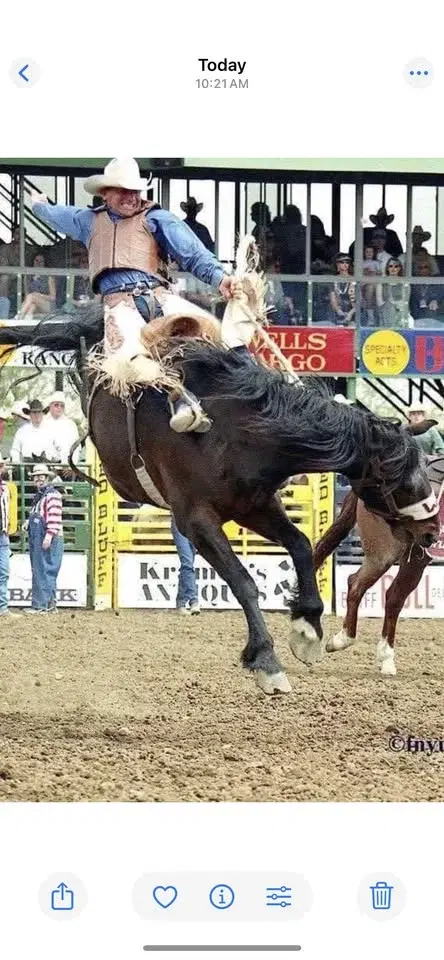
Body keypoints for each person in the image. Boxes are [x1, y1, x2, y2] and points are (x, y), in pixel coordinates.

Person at [31, 158, 246, 435]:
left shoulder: (156, 218)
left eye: (135, 191)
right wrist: (38, 206)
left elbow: (192, 253)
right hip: (119, 305)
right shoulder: (88, 221)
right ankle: (180, 398)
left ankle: (250, 381)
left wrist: (220, 278)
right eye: (124, 191)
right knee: (129, 360)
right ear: (105, 193)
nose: (132, 197)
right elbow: (55, 214)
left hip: (161, 296)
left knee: (214, 333)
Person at [25, 463, 64, 613]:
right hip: (39, 535)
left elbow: (54, 518)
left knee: (44, 569)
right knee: (42, 569)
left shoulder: (52, 495)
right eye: (36, 478)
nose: (38, 480)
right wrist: (27, 523)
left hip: (47, 536)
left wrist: (49, 536)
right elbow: (40, 515)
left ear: (47, 478)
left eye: (41, 477)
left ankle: (41, 605)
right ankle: (49, 604)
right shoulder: (40, 496)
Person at [0, 453, 21, 619]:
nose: (2, 468)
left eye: (1, 466)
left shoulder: (7, 488)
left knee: (4, 571)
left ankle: (2, 607)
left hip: (2, 534)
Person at [171, 516, 200, 615]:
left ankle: (181, 603)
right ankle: (193, 600)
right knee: (187, 563)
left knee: (188, 564)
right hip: (181, 521)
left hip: (194, 522)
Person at [44, 391, 80, 464]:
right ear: (50, 406)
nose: (59, 408)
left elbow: (76, 447)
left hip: (66, 466)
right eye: (56, 405)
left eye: (62, 405)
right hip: (45, 466)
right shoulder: (43, 422)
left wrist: (72, 466)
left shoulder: (70, 425)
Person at [19, 252, 56, 318]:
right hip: (33, 304)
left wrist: (38, 295)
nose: (38, 263)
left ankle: (18, 316)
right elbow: (26, 295)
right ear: (32, 261)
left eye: (41, 261)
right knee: (32, 307)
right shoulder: (27, 276)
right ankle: (25, 323)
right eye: (36, 260)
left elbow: (53, 297)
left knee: (32, 296)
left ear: (45, 263)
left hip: (47, 305)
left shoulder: (49, 276)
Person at [376, 258, 412, 327]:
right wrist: (390, 304)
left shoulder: (404, 282)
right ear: (387, 268)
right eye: (390, 266)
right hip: (385, 311)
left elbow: (405, 301)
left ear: (399, 268)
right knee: (389, 307)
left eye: (396, 266)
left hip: (400, 311)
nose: (393, 268)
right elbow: (379, 302)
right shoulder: (381, 282)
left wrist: (395, 304)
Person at [329, 254, 355, 325]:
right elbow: (333, 300)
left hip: (353, 314)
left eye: (347, 262)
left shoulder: (354, 280)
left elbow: (359, 301)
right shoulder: (333, 280)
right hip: (337, 314)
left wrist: (350, 314)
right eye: (342, 262)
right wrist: (338, 311)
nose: (345, 264)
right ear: (337, 264)